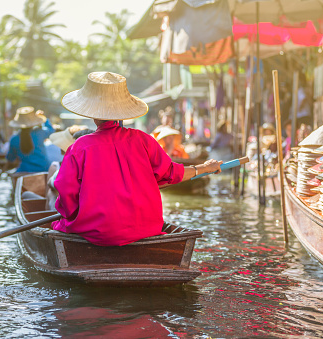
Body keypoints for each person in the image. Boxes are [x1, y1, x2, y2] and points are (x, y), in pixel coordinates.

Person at [52, 72, 222, 246]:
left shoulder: (80, 147)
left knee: (57, 225)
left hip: (98, 232)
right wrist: (205, 168)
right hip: (146, 229)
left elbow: (66, 191)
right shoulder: (144, 139)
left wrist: (73, 216)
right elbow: (172, 173)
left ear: (93, 114)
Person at [6, 107, 54, 173]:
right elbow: (51, 130)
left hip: (24, 171)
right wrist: (44, 118)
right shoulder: (40, 133)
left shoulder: (14, 139)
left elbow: (10, 158)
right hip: (44, 169)